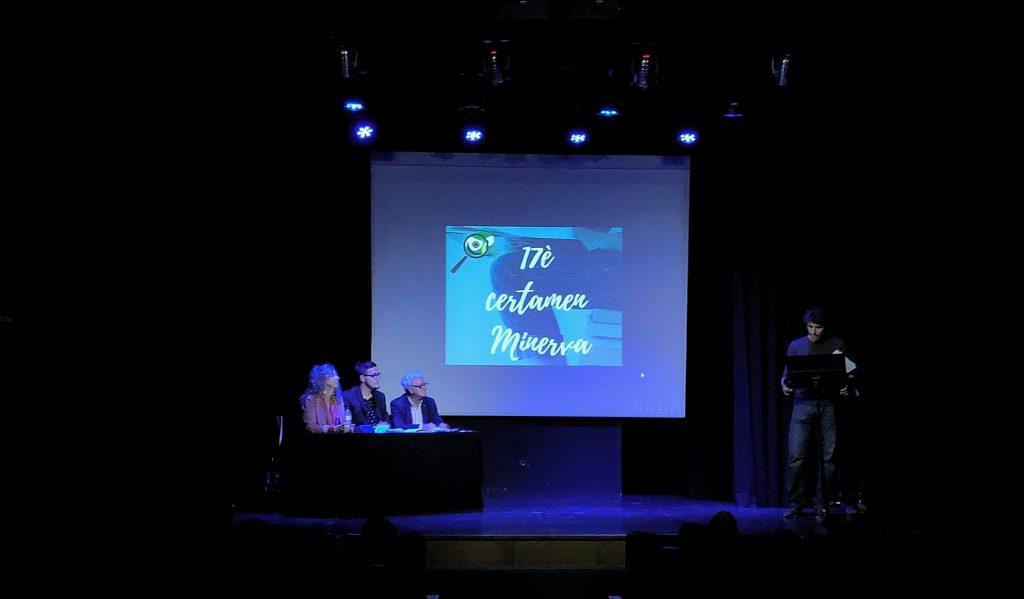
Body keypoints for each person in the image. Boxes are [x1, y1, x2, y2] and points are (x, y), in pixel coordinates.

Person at [781, 307, 854, 518]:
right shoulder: (796, 346)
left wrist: (846, 385)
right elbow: (786, 375)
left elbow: (849, 372)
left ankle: (823, 502)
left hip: (828, 404)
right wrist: (784, 385)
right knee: (796, 456)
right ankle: (795, 503)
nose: (813, 332)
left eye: (818, 327)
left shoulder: (836, 344)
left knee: (828, 457)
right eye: (810, 327)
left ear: (825, 327)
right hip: (802, 404)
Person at [299, 363, 351, 434]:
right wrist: (332, 429)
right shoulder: (311, 399)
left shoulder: (338, 398)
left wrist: (347, 427)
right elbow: (311, 426)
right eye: (333, 375)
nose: (338, 377)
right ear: (323, 379)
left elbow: (343, 422)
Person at [341, 360, 389, 426]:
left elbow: (386, 419)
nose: (378, 378)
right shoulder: (348, 397)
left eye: (378, 375)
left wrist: (385, 425)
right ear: (362, 378)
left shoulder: (380, 396)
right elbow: (348, 426)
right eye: (373, 375)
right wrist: (373, 428)